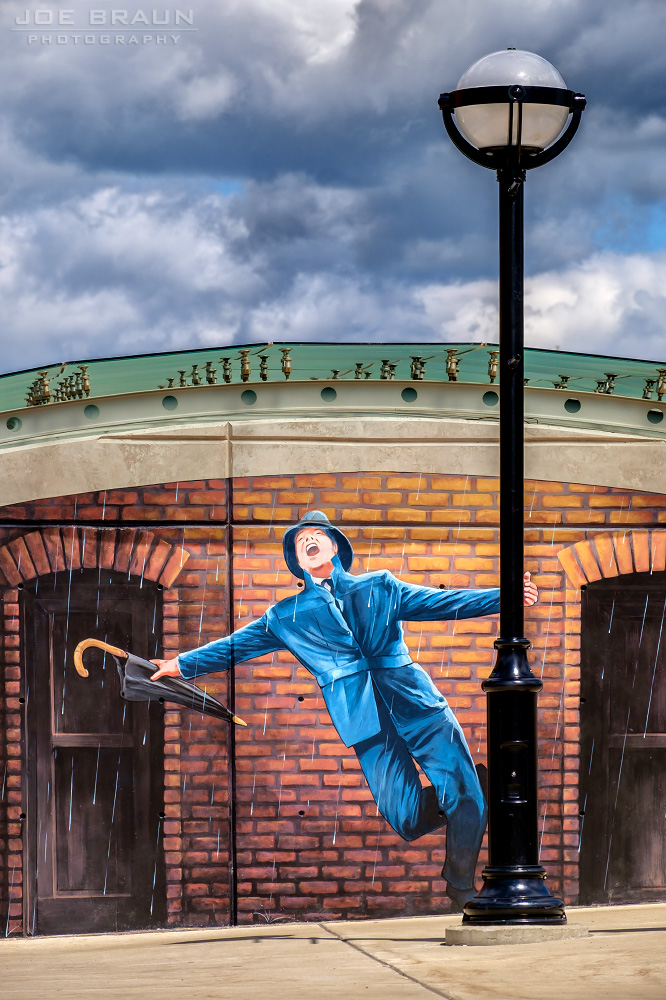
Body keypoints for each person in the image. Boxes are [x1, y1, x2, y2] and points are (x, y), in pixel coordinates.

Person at [151, 509, 538, 910]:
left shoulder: (380, 586)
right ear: (297, 562)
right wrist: (177, 666)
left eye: (317, 535)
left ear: (335, 546)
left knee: (466, 800)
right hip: (365, 723)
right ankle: (470, 786)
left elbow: (442, 603)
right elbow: (233, 647)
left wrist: (505, 597)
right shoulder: (286, 616)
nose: (309, 541)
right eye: (301, 541)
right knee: (405, 819)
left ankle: (461, 883)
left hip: (418, 704)